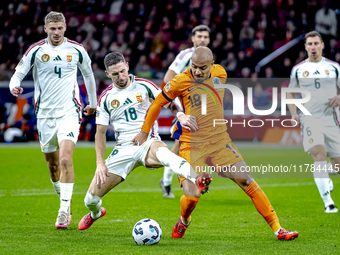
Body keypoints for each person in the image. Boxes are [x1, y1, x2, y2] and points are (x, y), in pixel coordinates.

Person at [133, 46, 299, 241]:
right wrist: (146, 131)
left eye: (202, 67)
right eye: (194, 66)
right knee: (193, 195)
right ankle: (184, 220)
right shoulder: (180, 80)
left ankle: (278, 229)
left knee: (246, 180)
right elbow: (157, 103)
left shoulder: (221, 73)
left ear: (212, 65)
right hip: (191, 143)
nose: (197, 71)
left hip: (219, 141)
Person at [77, 52, 212, 230]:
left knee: (165, 155)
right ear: (108, 74)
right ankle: (96, 213)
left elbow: (168, 101)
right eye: (115, 74)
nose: (121, 76)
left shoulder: (144, 85)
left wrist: (180, 115)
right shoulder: (106, 98)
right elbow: (100, 134)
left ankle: (197, 178)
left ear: (127, 65)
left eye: (123, 71)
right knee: (90, 199)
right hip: (123, 150)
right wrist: (100, 163)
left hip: (148, 142)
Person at [9, 11, 97, 229]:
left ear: (65, 27)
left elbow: (89, 75)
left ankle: (64, 209)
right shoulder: (36, 50)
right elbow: (18, 73)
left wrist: (93, 103)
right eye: (53, 28)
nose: (56, 32)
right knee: (53, 164)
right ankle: (63, 200)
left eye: (60, 28)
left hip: (70, 110)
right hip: (45, 114)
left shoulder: (76, 49)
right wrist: (14, 86)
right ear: (45, 29)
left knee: (66, 159)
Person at [287, 30, 340, 213]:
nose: (313, 47)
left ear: (322, 45)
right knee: (319, 155)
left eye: (316, 43)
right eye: (309, 44)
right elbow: (291, 93)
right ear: (305, 47)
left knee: (337, 165)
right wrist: (294, 113)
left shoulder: (334, 67)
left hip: (332, 119)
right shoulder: (299, 70)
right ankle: (328, 203)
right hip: (309, 119)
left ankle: (326, 179)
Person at [159, 24, 211, 198]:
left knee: (182, 145)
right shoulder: (186, 55)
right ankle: (192, 179)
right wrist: (178, 106)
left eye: (205, 37)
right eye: (199, 36)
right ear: (193, 38)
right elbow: (168, 78)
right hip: (185, 109)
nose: (202, 39)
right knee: (184, 144)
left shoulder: (208, 58)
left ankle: (169, 181)